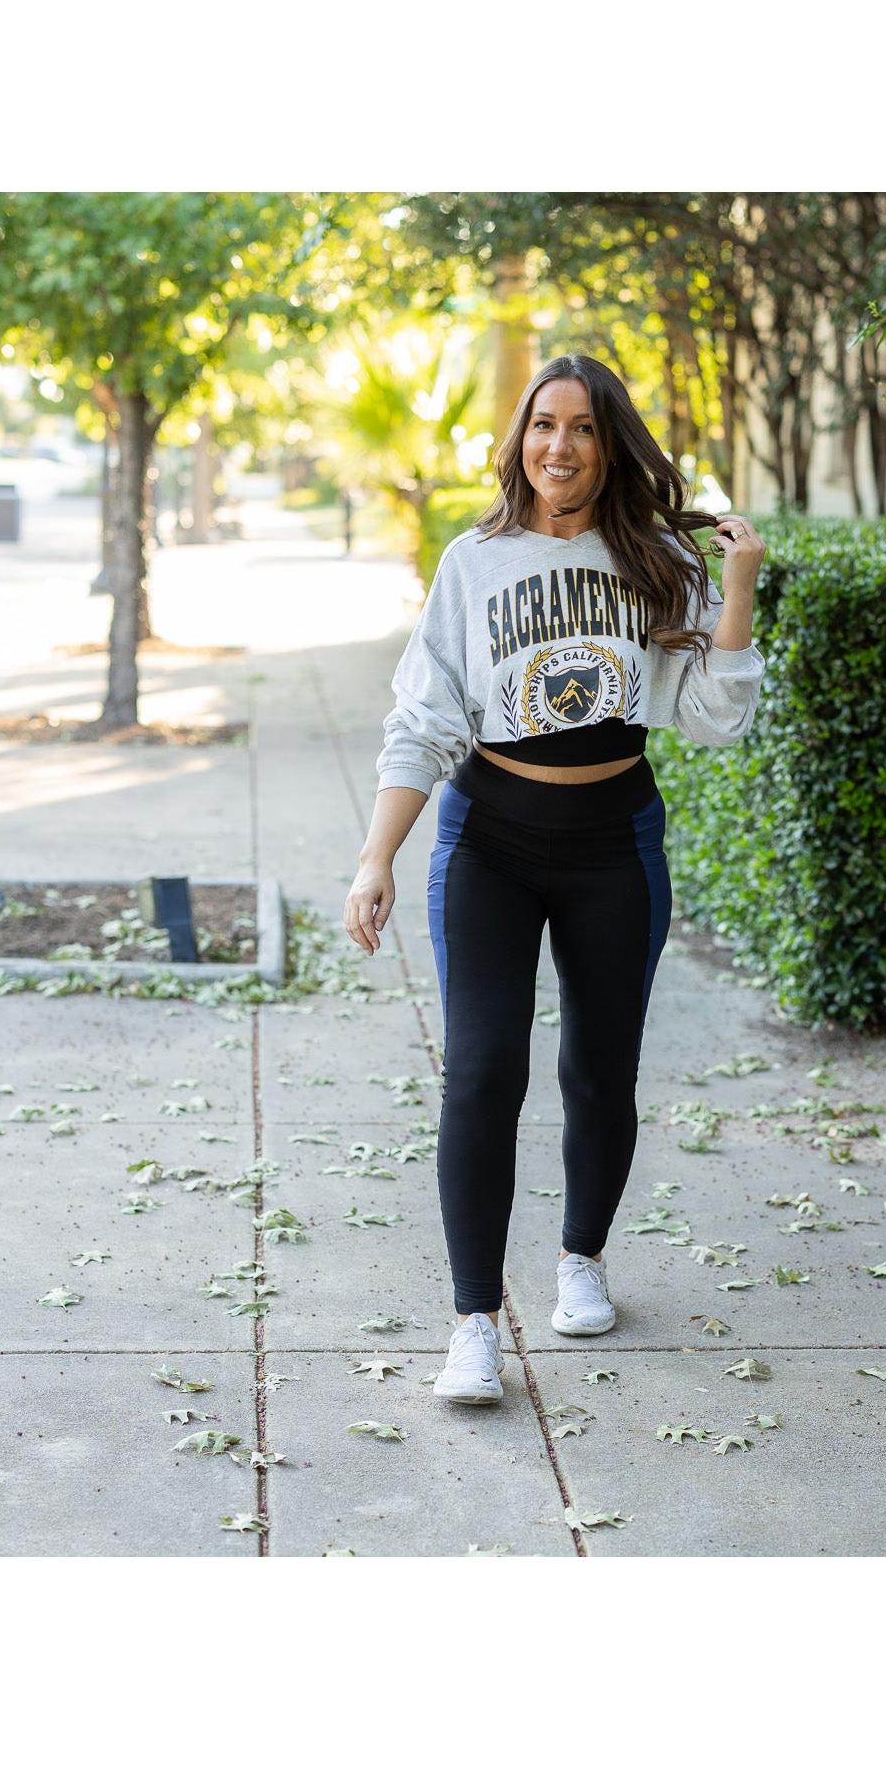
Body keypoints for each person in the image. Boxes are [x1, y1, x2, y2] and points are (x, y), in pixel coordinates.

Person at [343, 354, 766, 1406]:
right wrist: (375, 856)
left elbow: (713, 719)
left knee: (600, 1069)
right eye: (542, 424)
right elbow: (424, 718)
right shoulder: (473, 562)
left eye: (581, 427)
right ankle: (473, 1324)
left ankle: (582, 1258)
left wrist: (738, 590)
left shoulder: (659, 559)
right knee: (483, 1071)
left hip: (613, 840)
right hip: (488, 839)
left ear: (609, 443)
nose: (559, 446)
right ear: (519, 439)